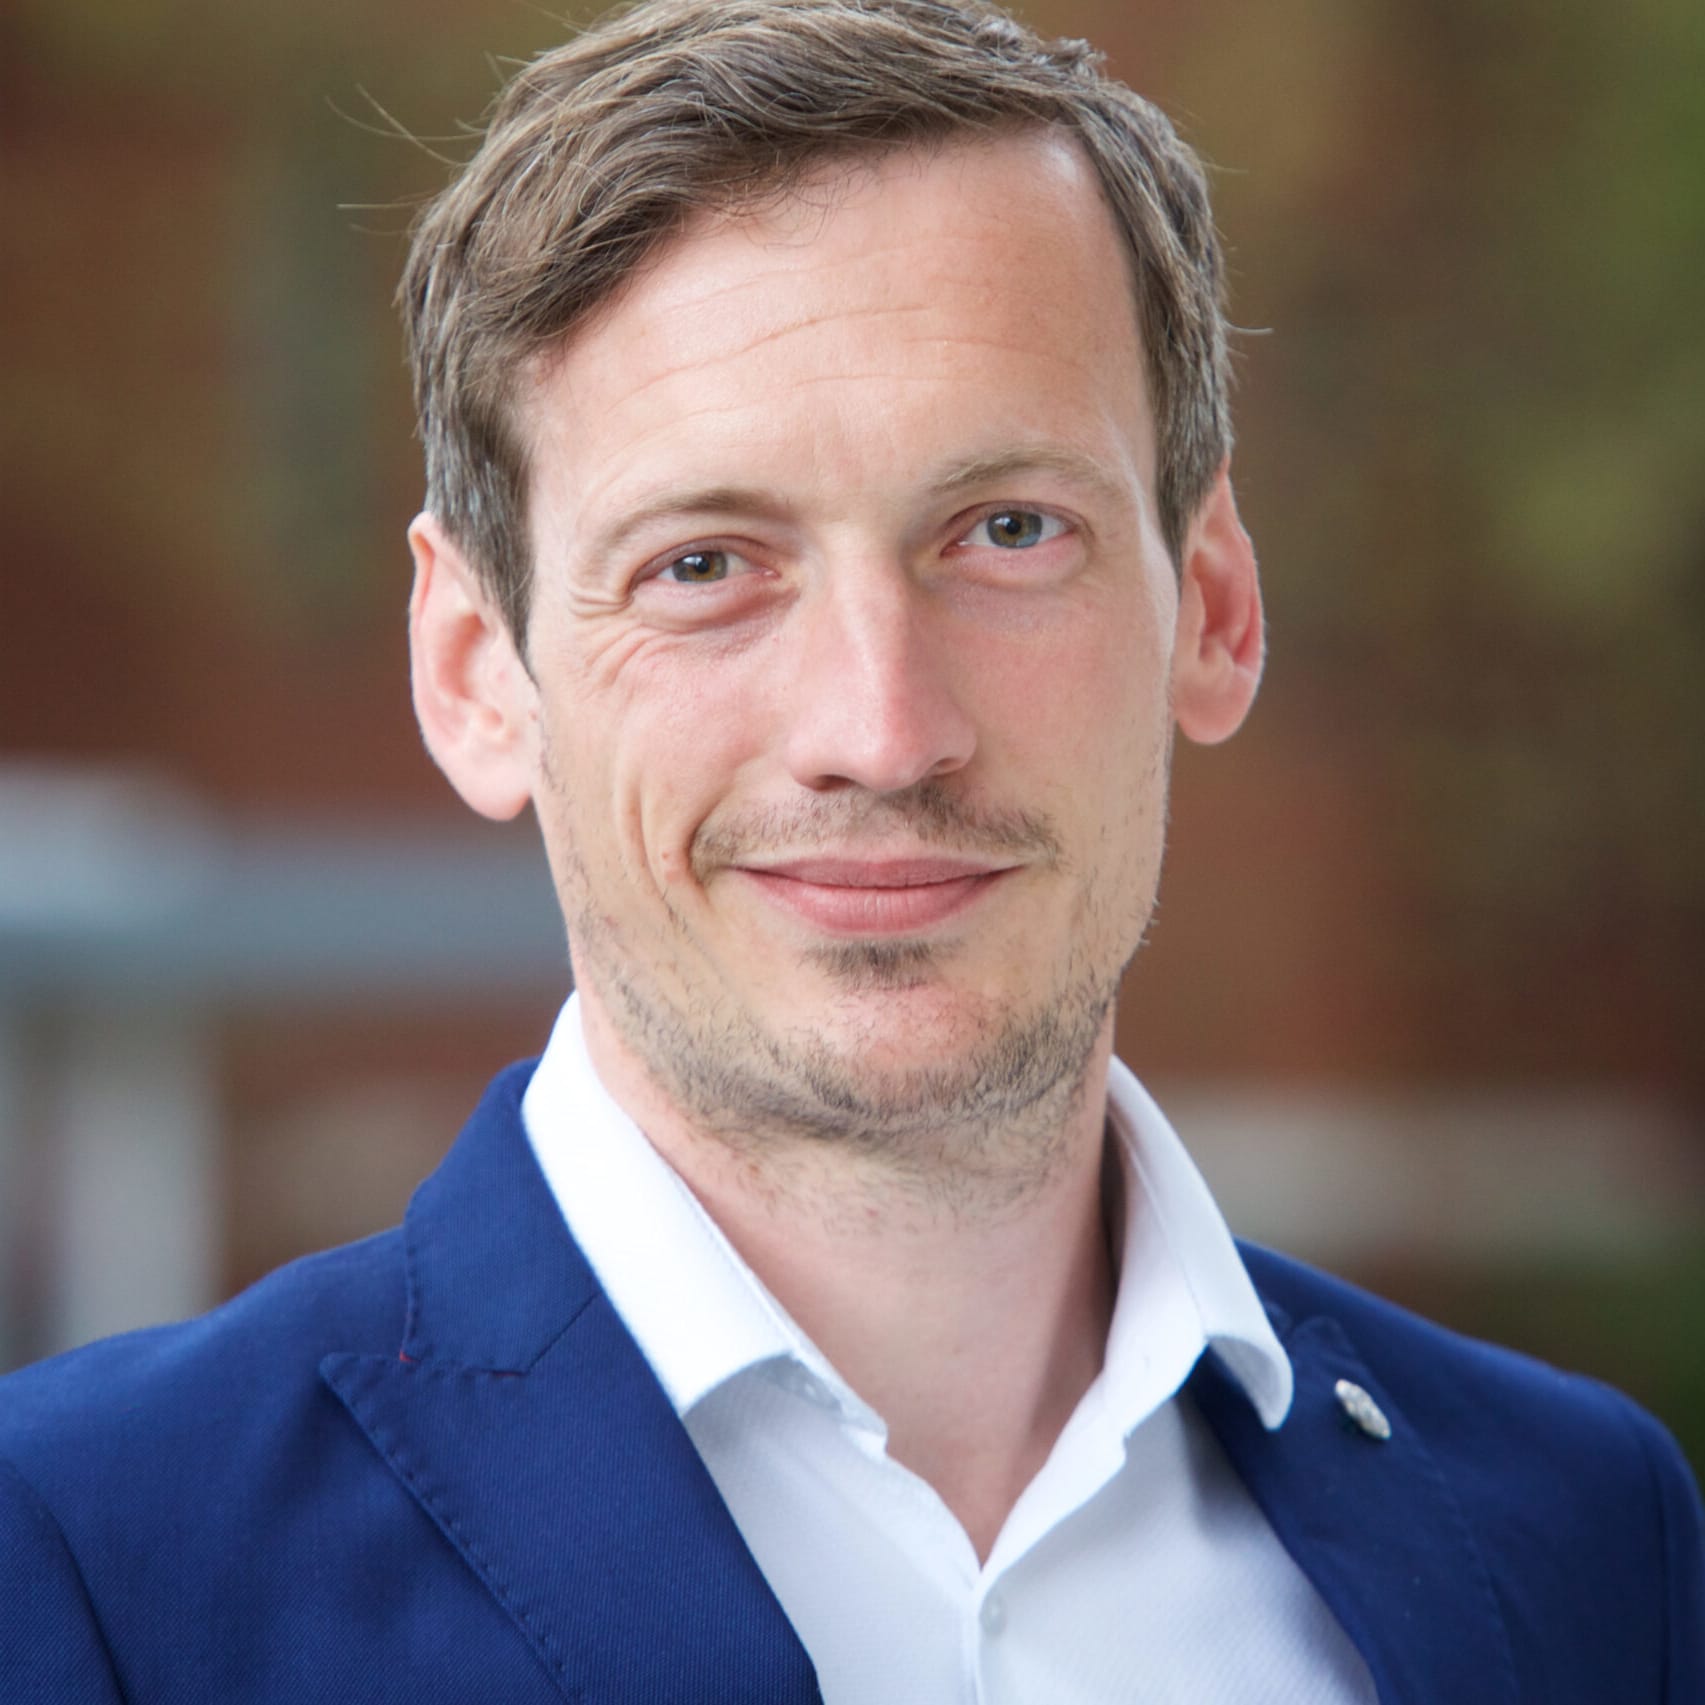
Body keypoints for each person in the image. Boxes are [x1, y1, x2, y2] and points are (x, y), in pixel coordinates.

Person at [2, 0, 1700, 1697]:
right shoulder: (88, 1561)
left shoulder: (1582, 1546)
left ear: (1213, 604)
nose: (881, 729)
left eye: (1008, 531)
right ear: (473, 671)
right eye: (701, 565)